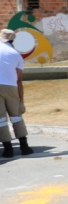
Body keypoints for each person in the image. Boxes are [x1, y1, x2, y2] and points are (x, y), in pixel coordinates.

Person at [0, 29, 32, 157]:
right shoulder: (16, 54)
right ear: (13, 40)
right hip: (11, 87)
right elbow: (19, 80)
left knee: (1, 119)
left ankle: (8, 149)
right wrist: (21, 101)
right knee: (16, 116)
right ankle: (24, 146)